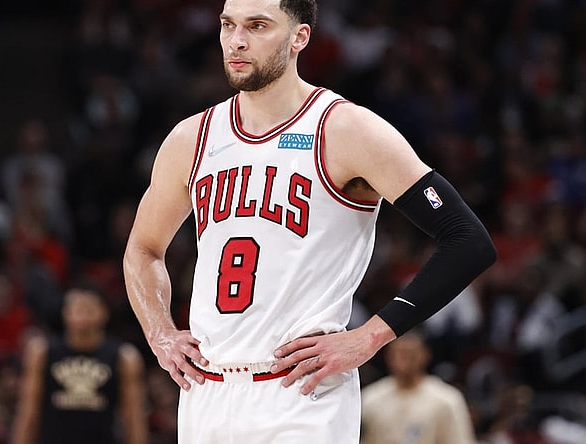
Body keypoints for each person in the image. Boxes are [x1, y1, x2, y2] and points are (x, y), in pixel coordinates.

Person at [122, 0, 497, 442]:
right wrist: (160, 333)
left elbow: (468, 239)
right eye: (228, 25)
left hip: (303, 394)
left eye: (257, 26)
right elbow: (143, 249)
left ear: (300, 37)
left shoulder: (346, 129)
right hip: (207, 393)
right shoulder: (191, 138)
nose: (236, 41)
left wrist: (371, 336)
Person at [10, 284, 148, 444]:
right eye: (75, 308)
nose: (81, 314)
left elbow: (133, 416)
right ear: (64, 313)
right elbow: (28, 410)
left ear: (104, 312)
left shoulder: (124, 357)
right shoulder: (42, 352)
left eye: (88, 309)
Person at [360, 330, 477, 444]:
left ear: (426, 355)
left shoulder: (447, 399)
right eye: (398, 353)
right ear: (388, 356)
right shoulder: (370, 399)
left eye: (410, 354)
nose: (403, 360)